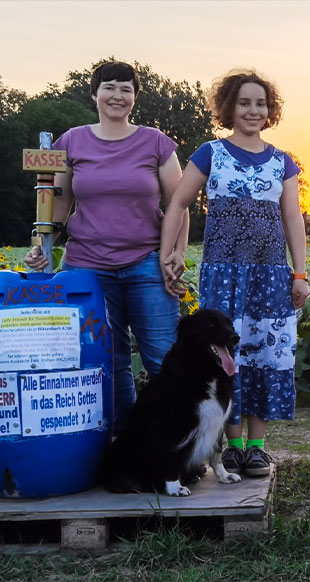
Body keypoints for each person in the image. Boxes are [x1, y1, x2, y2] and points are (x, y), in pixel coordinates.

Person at [24, 61, 189, 435]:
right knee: (106, 361)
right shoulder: (69, 142)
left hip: (148, 264)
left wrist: (176, 253)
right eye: (110, 87)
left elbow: (178, 205)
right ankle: (123, 442)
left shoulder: (157, 143)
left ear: (135, 98)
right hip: (86, 267)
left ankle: (176, 446)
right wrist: (40, 246)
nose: (118, 95)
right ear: (94, 93)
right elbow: (57, 204)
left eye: (126, 89)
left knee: (164, 358)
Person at [160, 69, 309, 478]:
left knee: (267, 353)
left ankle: (257, 447)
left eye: (260, 103)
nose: (253, 110)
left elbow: (293, 219)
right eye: (244, 102)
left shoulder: (283, 163)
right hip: (223, 274)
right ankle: (232, 446)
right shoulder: (210, 153)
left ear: (270, 110)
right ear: (229, 108)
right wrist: (167, 253)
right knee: (225, 357)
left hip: (270, 275)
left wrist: (300, 273)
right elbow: (177, 204)